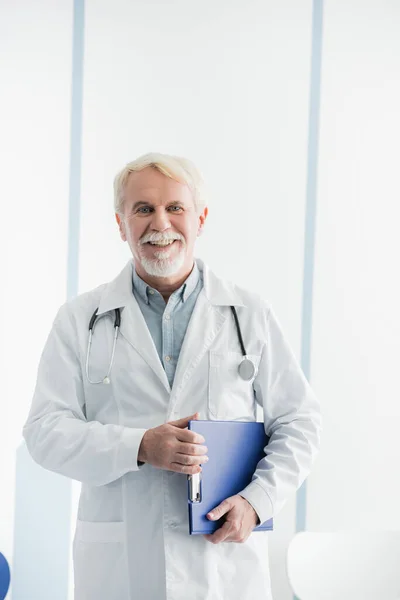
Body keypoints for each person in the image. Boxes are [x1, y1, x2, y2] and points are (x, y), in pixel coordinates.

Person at [23, 152, 322, 600]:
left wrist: (257, 502)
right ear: (121, 225)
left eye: (174, 208)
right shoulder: (80, 319)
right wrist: (140, 446)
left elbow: (300, 422)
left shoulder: (249, 314)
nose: (159, 223)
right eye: (143, 209)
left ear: (200, 219)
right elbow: (44, 432)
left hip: (221, 566)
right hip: (121, 566)